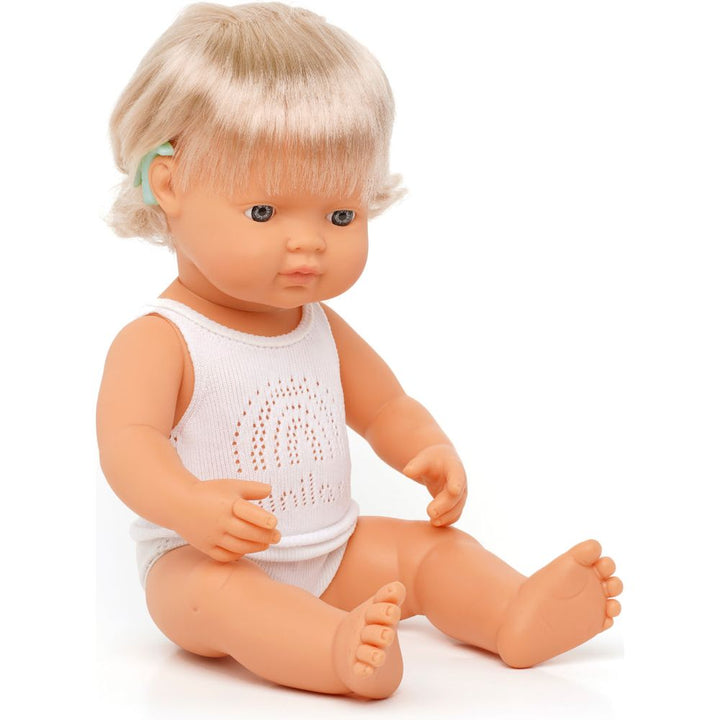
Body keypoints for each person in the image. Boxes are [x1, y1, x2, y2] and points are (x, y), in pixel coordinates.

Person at [97, 2, 622, 699]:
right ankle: (334, 651)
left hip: (334, 550)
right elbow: (128, 446)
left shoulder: (316, 325)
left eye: (341, 214)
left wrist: (425, 447)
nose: (309, 242)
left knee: (429, 552)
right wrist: (188, 504)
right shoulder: (163, 338)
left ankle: (512, 613)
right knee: (225, 601)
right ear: (170, 185)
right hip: (202, 560)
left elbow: (385, 407)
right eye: (264, 211)